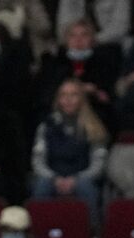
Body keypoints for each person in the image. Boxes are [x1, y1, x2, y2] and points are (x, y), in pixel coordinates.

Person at [31, 78, 109, 223]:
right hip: (52, 177)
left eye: (73, 95)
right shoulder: (46, 126)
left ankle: (92, 232)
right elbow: (38, 160)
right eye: (64, 95)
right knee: (42, 184)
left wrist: (76, 180)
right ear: (58, 99)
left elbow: (99, 164)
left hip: (82, 177)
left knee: (85, 187)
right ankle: (40, 231)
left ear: (82, 99)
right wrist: (54, 178)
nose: (68, 99)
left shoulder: (94, 127)